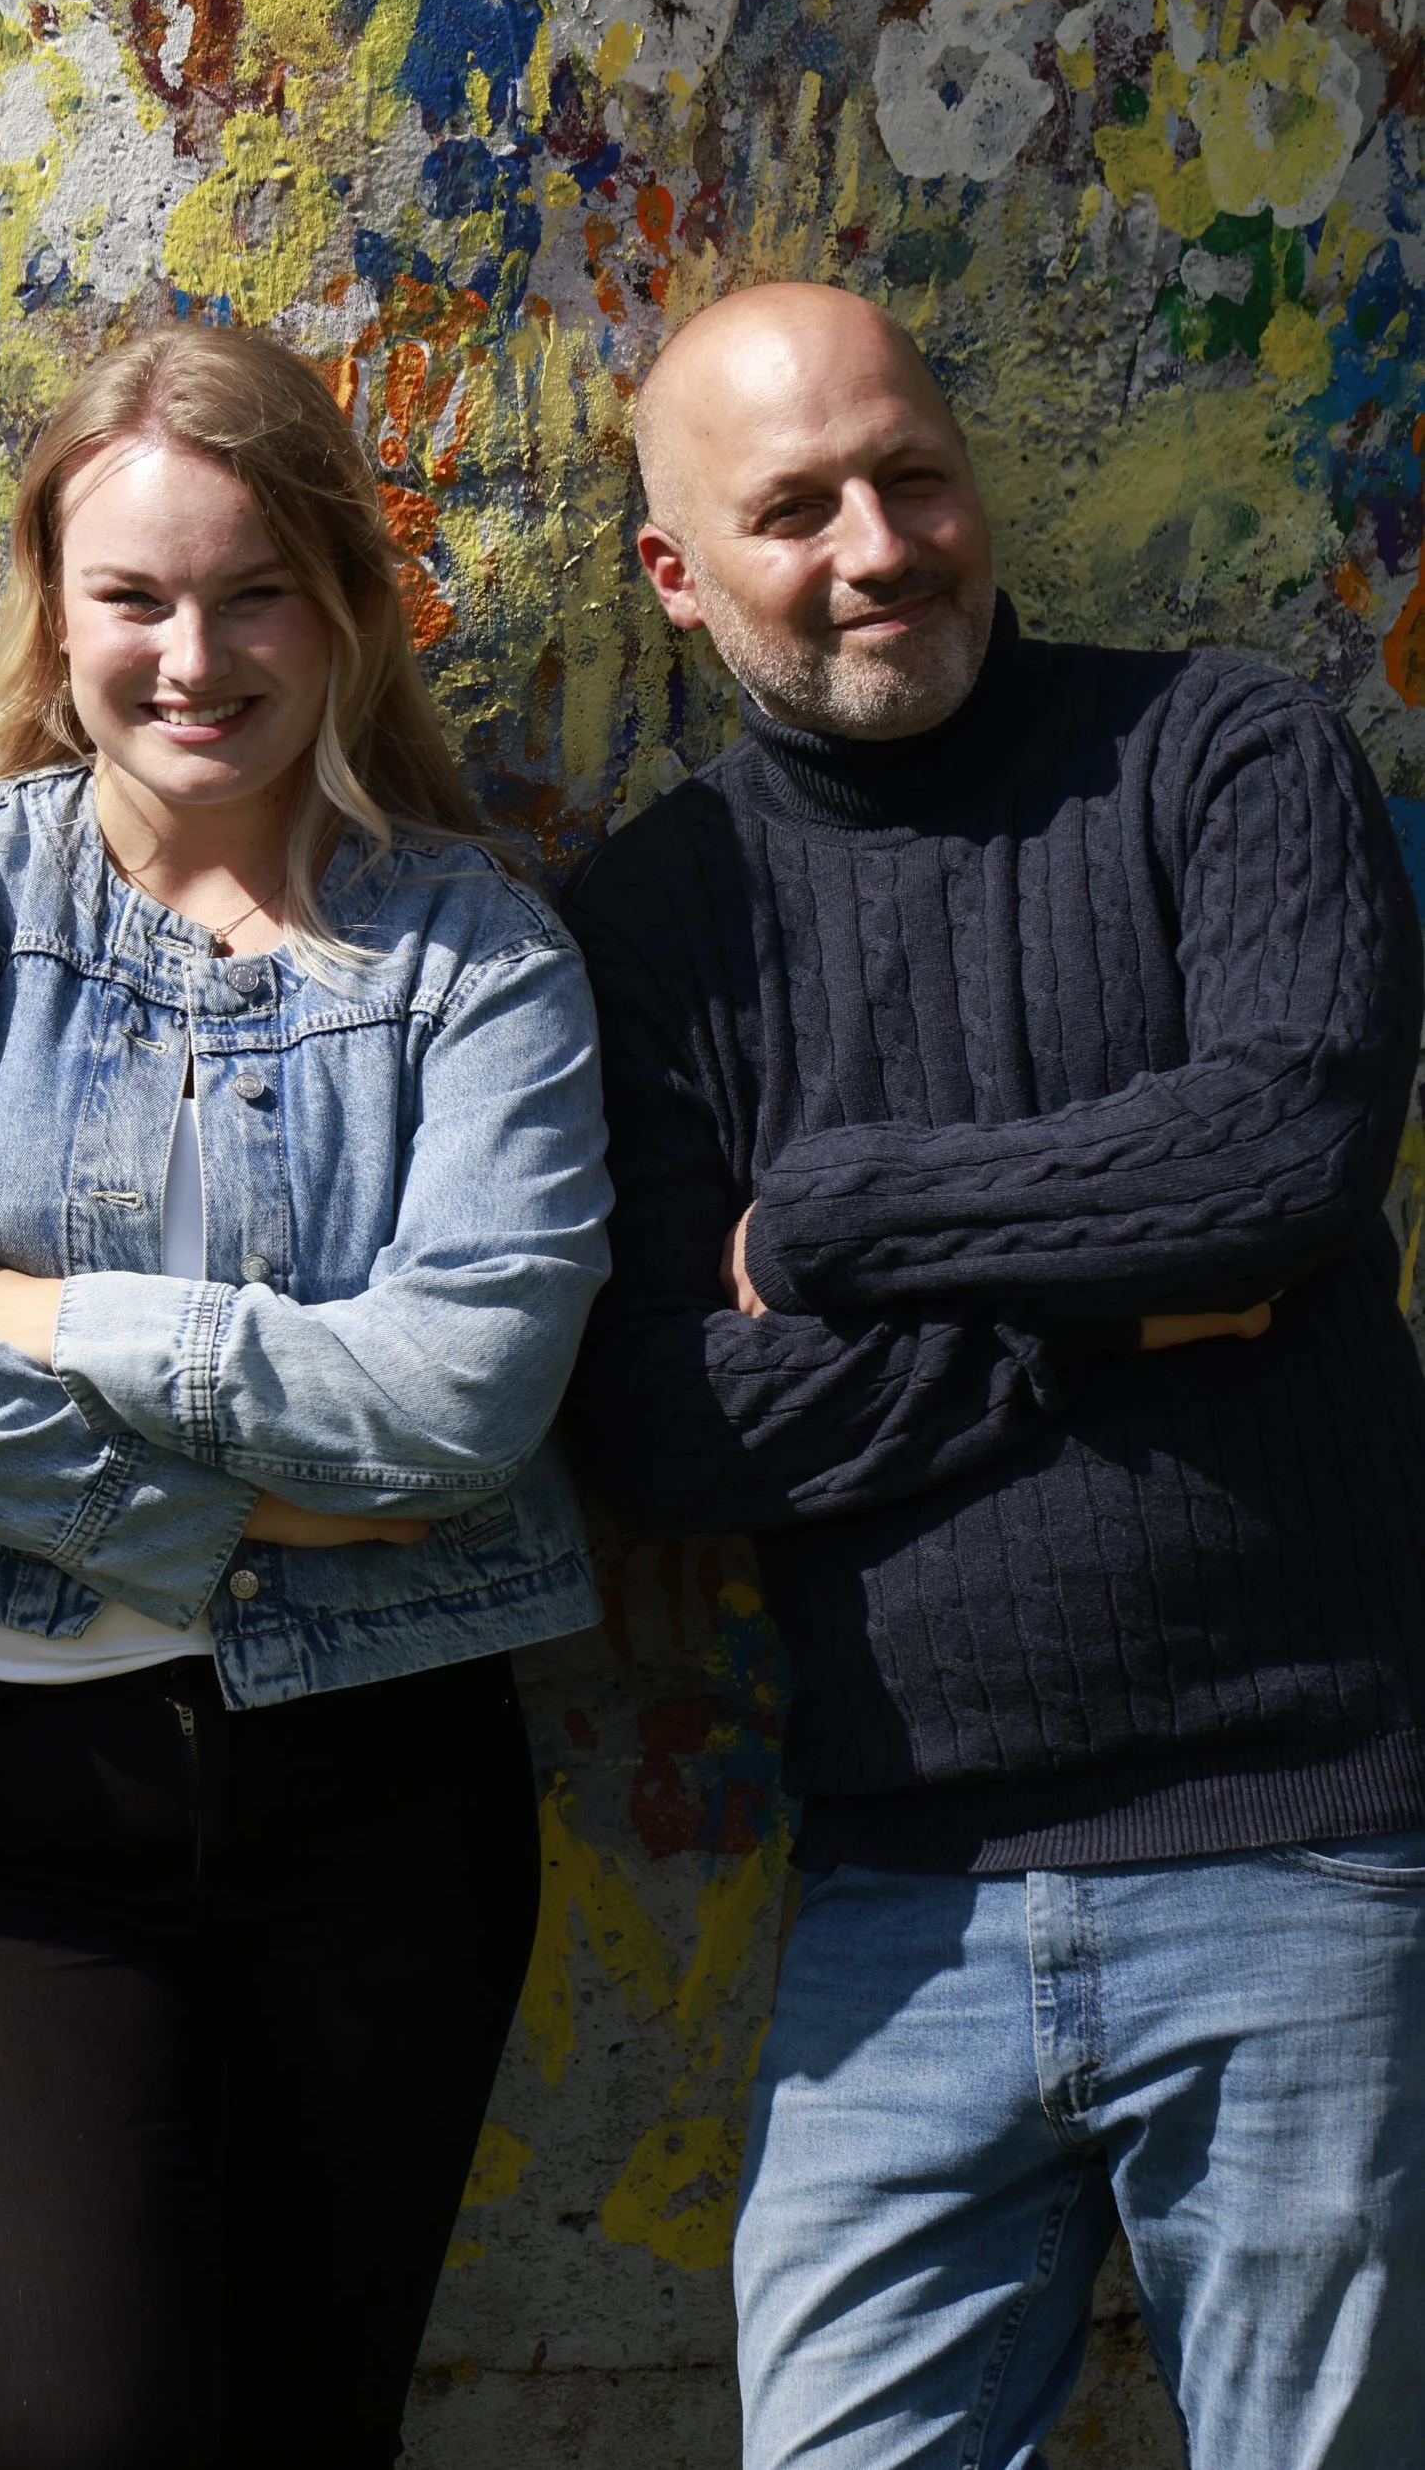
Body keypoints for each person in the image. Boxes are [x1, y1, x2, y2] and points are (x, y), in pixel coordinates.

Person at [564, 279, 1425, 2468]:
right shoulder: (649, 926)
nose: (874, 543)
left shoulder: (1223, 756)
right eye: (790, 507)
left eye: (907, 472)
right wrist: (1110, 1301)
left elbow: (1275, 1160)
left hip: (1301, 1851)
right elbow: (654, 1419)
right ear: (674, 574)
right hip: (895, 1901)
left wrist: (835, 1226)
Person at [0, 322, 610, 2470]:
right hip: (7, 1802)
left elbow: (452, 1421)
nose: (191, 653)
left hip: (385, 1784)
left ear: (338, 601)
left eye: (249, 591)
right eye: (132, 594)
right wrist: (233, 1523)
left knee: (311, 2429)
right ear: (58, 606)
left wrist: (42, 1318)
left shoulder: (476, 959)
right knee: (69, 2433)